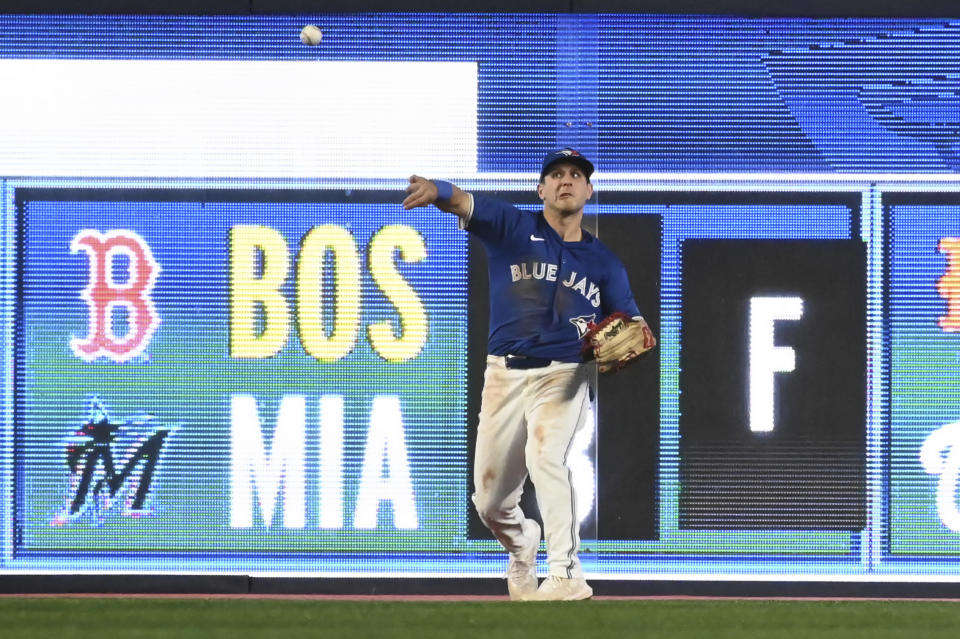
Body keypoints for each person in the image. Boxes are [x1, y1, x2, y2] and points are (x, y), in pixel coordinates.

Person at [403, 148, 646, 601]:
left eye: (576, 175)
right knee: (489, 502)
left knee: (546, 459)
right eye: (556, 175)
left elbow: (633, 327)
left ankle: (566, 573)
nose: (566, 180)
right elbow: (463, 201)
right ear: (541, 190)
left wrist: (628, 339)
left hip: (565, 374)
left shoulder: (604, 262)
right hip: (504, 375)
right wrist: (435, 190)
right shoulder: (514, 226)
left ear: (589, 190)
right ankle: (521, 545)